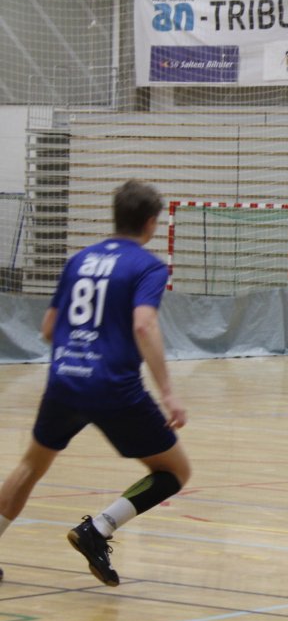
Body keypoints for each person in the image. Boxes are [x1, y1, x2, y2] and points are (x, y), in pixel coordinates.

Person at [0, 180, 191, 586]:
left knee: (31, 466)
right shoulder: (148, 266)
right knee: (175, 471)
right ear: (151, 223)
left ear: (115, 216)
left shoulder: (79, 261)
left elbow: (48, 328)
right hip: (114, 387)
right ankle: (99, 528)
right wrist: (169, 393)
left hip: (65, 381)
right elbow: (144, 324)